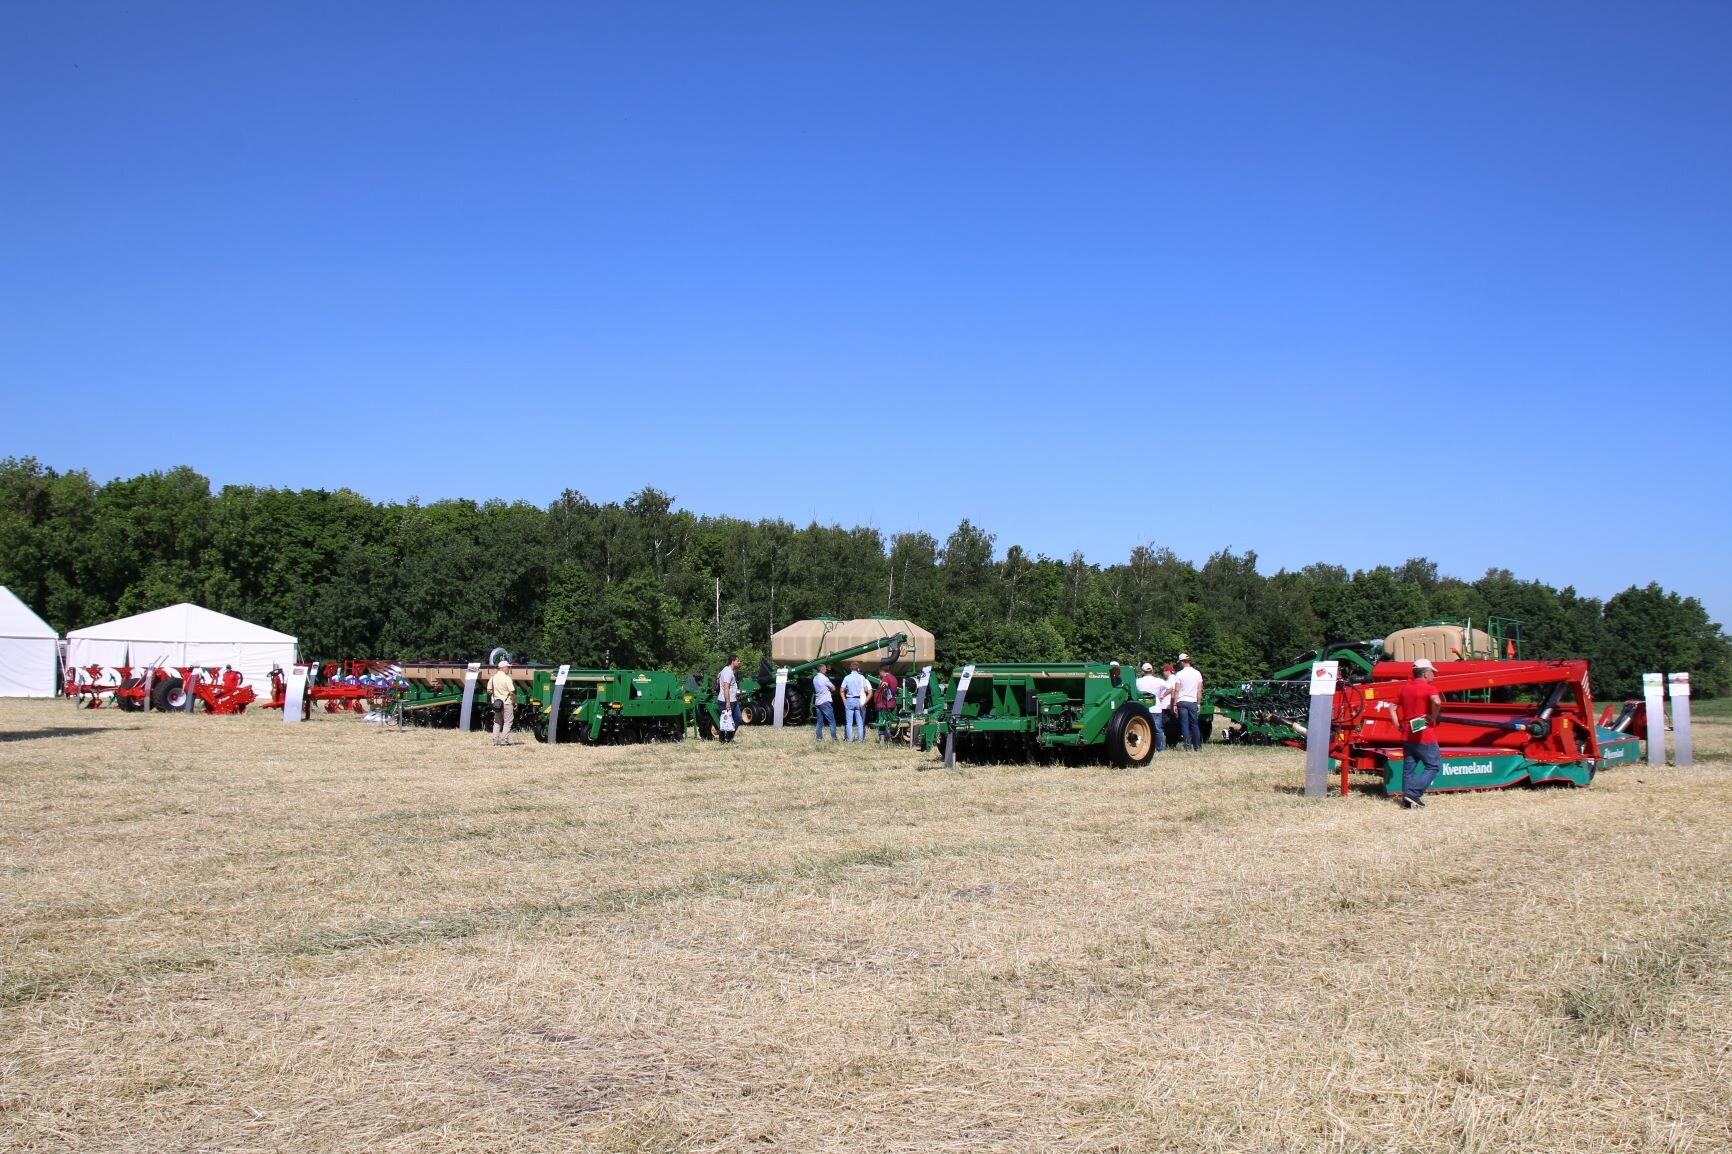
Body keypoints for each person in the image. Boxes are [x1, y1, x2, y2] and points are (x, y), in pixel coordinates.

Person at [1395, 657, 1444, 808]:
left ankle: (1407, 800)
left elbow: (1391, 708)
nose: (1434, 675)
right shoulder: (1430, 688)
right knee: (1433, 765)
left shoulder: (1404, 688)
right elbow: (1437, 702)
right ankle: (1414, 793)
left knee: (1409, 768)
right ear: (1426, 673)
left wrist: (1398, 725)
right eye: (1432, 672)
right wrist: (1432, 717)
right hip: (1424, 731)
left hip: (1407, 732)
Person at [1173, 652, 1204, 751]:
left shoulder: (1179, 674)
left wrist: (1174, 703)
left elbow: (1177, 690)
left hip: (1182, 701)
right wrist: (1198, 703)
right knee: (1194, 724)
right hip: (1192, 701)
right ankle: (1197, 746)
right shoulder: (1197, 673)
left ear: (1182, 662)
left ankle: (1187, 746)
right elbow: (1199, 690)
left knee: (1184, 724)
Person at [1135, 662, 1166, 753]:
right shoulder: (1158, 680)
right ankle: (1159, 749)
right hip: (1156, 707)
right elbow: (1170, 687)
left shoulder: (1138, 681)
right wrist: (1162, 695)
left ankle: (1143, 747)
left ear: (1142, 671)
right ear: (1152, 670)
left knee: (1142, 729)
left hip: (1143, 708)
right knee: (1158, 730)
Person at [841, 660, 872, 742]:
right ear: (858, 669)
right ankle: (860, 739)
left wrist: (844, 700)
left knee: (849, 722)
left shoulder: (847, 677)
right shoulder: (861, 678)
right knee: (860, 722)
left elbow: (841, 690)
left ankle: (849, 739)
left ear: (851, 668)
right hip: (858, 700)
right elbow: (866, 689)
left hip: (850, 699)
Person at [488, 658, 516, 746]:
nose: (509, 669)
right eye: (507, 667)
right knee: (508, 722)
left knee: (497, 722)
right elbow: (511, 692)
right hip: (507, 703)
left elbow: (488, 690)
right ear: (502, 668)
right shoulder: (507, 678)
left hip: (497, 704)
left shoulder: (492, 678)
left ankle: (495, 740)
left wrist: (495, 695)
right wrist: (515, 702)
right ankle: (504, 740)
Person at [717, 655, 743, 740]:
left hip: (732, 700)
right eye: (738, 661)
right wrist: (727, 702)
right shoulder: (728, 672)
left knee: (736, 719)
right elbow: (726, 687)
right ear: (733, 662)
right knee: (726, 720)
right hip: (727, 701)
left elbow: (718, 676)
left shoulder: (726, 670)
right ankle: (724, 739)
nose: (739, 663)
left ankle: (728, 738)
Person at [811, 663, 838, 742]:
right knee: (832, 721)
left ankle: (819, 738)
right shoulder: (824, 678)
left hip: (818, 702)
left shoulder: (815, 678)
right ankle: (834, 738)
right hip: (825, 702)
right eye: (825, 668)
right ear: (822, 669)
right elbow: (833, 688)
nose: (826, 670)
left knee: (819, 722)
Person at [874, 667, 900, 743]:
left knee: (882, 722)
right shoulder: (893, 677)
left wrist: (884, 685)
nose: (879, 674)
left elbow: (885, 684)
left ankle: (884, 739)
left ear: (882, 672)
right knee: (890, 721)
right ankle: (890, 738)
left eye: (880, 673)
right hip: (891, 703)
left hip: (884, 704)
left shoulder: (886, 678)